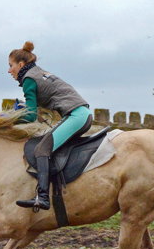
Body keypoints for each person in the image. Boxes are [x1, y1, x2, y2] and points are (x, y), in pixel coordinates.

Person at [8, 41, 93, 210]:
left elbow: (31, 115)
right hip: (80, 114)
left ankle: (43, 197)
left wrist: (9, 119)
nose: (9, 70)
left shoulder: (28, 79)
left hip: (76, 116)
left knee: (41, 149)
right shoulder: (38, 73)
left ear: (21, 64)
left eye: (11, 66)